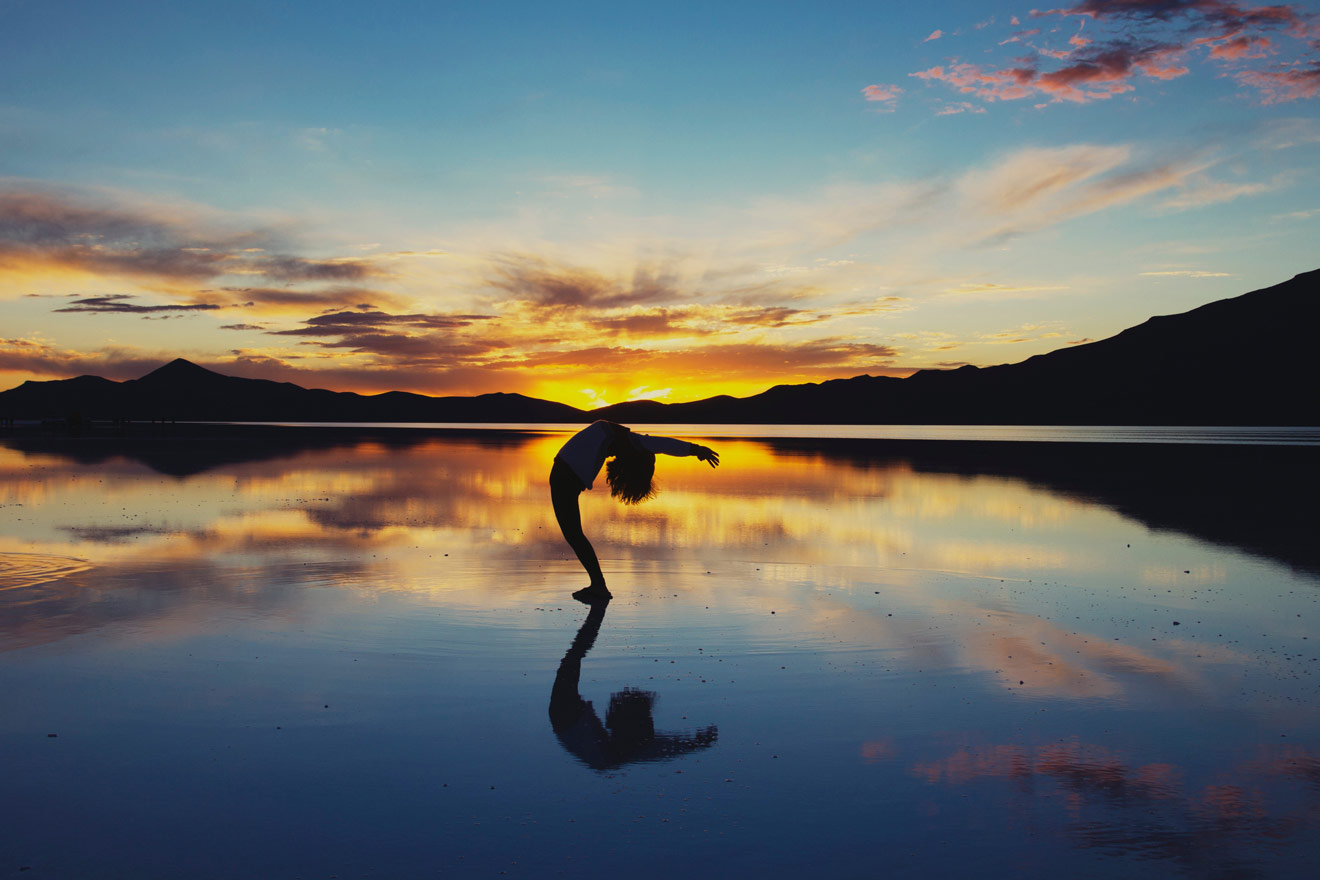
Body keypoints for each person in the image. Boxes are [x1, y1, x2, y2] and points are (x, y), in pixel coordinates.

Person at [550, 420, 718, 602]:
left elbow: (661, 445)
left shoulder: (618, 436)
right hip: (566, 478)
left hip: (565, 479)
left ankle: (599, 586)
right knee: (574, 535)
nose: (615, 455)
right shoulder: (621, 437)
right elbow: (661, 444)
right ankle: (598, 585)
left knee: (574, 535)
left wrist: (695, 449)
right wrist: (695, 449)